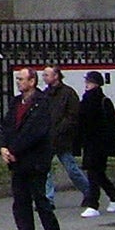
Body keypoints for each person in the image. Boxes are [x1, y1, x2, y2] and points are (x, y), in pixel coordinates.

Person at [0, 67, 62, 230]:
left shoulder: (42, 103)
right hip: (17, 161)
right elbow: (7, 126)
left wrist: (14, 149)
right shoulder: (16, 102)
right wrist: (3, 147)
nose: (19, 82)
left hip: (35, 160)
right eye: (17, 79)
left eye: (22, 79)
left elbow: (34, 132)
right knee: (20, 201)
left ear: (32, 81)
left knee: (40, 199)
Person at [77, 71, 115, 218]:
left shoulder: (103, 101)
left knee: (93, 173)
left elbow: (109, 126)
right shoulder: (86, 100)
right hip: (90, 143)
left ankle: (93, 204)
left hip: (100, 144)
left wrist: (110, 145)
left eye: (89, 82)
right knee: (98, 174)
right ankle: (114, 197)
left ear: (96, 84)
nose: (87, 84)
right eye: (87, 82)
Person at [40, 67, 89, 203]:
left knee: (71, 168)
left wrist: (61, 129)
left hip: (63, 138)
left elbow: (72, 116)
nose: (44, 77)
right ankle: (48, 199)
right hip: (48, 138)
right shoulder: (46, 94)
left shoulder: (68, 93)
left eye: (47, 75)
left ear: (56, 76)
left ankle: (88, 191)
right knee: (46, 171)